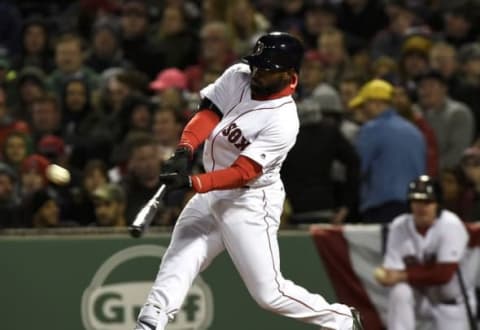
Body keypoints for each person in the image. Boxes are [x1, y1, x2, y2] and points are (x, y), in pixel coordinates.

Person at [134, 32, 363, 330]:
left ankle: (343, 319)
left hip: (249, 202)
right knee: (181, 256)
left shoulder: (283, 120)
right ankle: (152, 320)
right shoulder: (239, 76)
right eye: (257, 65)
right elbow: (209, 113)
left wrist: (193, 184)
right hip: (212, 191)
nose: (257, 73)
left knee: (269, 294)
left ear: (289, 75)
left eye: (267, 70)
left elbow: (244, 172)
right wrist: (184, 150)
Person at [375, 175, 477, 330]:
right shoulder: (399, 226)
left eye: (427, 202)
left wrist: (403, 275)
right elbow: (391, 272)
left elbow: (443, 274)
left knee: (401, 282)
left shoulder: (450, 224)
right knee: (400, 292)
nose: (421, 207)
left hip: (451, 304)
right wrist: (390, 276)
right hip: (421, 300)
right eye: (417, 201)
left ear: (438, 204)